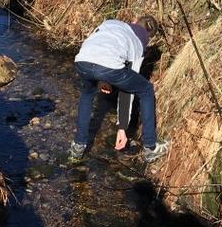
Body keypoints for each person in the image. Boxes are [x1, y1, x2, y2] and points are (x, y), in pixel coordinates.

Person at [69, 16, 170, 163]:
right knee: (146, 90)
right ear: (149, 38)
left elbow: (99, 49)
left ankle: (78, 145)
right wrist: (122, 127)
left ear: (134, 21)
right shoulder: (138, 46)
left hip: (82, 60)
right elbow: (126, 91)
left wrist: (101, 81)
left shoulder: (110, 22)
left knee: (87, 94)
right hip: (108, 67)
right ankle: (150, 147)